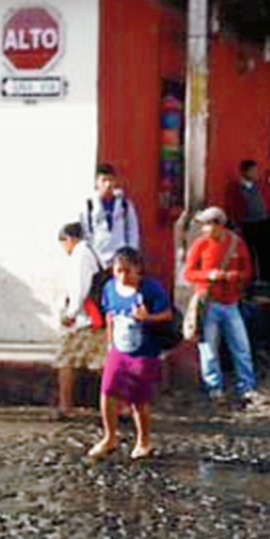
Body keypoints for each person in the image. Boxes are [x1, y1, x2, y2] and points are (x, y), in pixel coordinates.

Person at [89, 247, 172, 460]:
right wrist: (109, 345)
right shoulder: (110, 288)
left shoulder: (150, 289)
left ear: (138, 270)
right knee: (107, 391)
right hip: (119, 348)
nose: (123, 276)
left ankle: (143, 441)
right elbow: (109, 316)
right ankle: (109, 437)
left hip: (144, 350)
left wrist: (148, 317)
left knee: (138, 398)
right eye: (119, 271)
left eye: (128, 271)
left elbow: (167, 314)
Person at [182, 206, 263, 408]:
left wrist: (235, 277)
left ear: (218, 225)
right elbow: (189, 273)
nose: (202, 230)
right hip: (209, 303)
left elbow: (248, 270)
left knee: (241, 346)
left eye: (206, 225)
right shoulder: (200, 245)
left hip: (231, 302)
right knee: (208, 349)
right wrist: (208, 276)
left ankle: (247, 386)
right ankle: (214, 388)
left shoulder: (237, 243)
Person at [53, 222, 108, 419]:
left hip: (83, 319)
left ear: (69, 239)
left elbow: (79, 287)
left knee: (65, 361)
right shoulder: (89, 253)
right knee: (102, 363)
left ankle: (64, 406)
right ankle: (120, 405)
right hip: (93, 319)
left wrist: (71, 313)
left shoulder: (80, 255)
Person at [226, 159, 270, 283]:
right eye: (253, 171)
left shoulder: (260, 185)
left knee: (266, 250)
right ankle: (251, 278)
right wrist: (236, 223)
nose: (256, 173)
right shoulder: (237, 188)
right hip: (248, 223)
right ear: (244, 172)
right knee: (249, 251)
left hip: (264, 221)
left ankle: (266, 278)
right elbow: (233, 206)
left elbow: (269, 200)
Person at [79, 163, 141, 267]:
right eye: (104, 180)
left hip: (120, 259)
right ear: (97, 183)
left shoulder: (125, 205)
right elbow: (85, 231)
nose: (108, 184)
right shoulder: (88, 206)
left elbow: (133, 231)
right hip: (96, 260)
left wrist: (130, 254)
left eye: (111, 180)